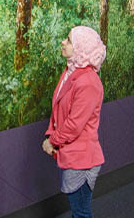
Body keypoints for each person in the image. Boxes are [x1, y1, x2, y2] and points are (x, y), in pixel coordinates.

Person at [42, 26, 106, 218]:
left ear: (81, 49)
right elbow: (58, 111)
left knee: (80, 213)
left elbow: (73, 125)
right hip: (72, 156)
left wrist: (52, 141)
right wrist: (50, 134)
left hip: (82, 160)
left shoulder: (88, 82)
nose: (63, 42)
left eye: (69, 40)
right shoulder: (71, 71)